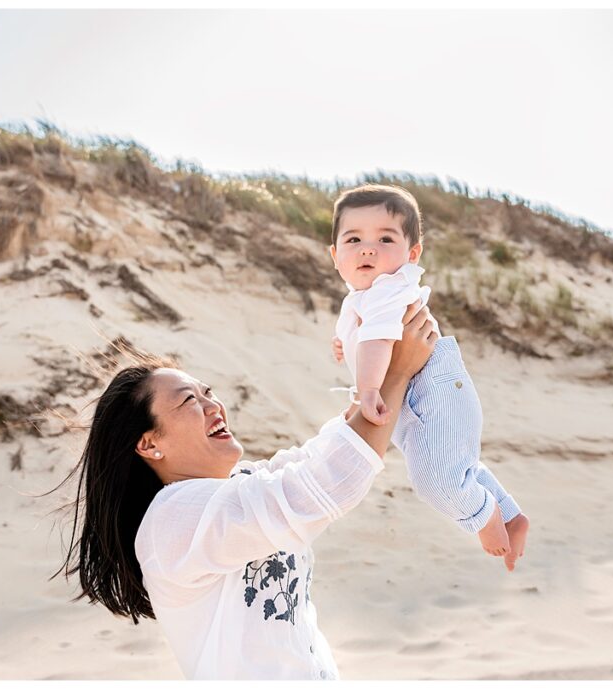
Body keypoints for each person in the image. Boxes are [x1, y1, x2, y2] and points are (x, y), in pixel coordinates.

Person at [56, 301, 437, 680]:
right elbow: (327, 484)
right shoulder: (173, 519)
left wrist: (377, 369)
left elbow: (315, 459)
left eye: (208, 392)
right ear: (149, 443)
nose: (213, 406)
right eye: (190, 401)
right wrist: (398, 373)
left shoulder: (236, 485)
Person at [328, 183, 530, 568]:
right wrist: (344, 345)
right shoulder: (362, 297)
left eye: (385, 238)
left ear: (412, 254)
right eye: (354, 239)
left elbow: (377, 340)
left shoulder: (388, 288)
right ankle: (511, 515)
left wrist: (367, 389)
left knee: (435, 478)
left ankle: (484, 518)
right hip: (424, 396)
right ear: (336, 255)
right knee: (458, 465)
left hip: (431, 393)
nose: (368, 248)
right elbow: (361, 338)